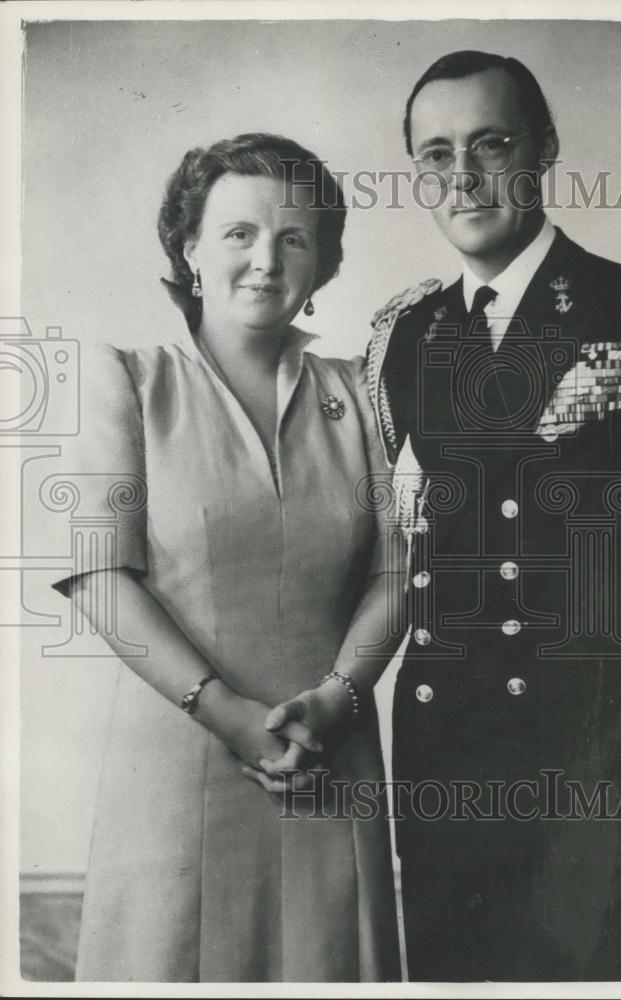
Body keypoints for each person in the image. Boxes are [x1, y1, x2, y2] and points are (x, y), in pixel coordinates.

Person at [362, 50, 621, 981]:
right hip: (446, 751)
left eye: (490, 145)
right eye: (434, 154)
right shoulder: (407, 337)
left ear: (543, 150)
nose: (461, 177)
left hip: (587, 753)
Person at [48, 132, 401, 982]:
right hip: (176, 755)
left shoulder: (365, 392)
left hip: (329, 754)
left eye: (294, 238)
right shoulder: (123, 380)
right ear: (189, 247)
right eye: (238, 233)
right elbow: (100, 576)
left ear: (323, 261)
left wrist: (337, 700)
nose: (266, 261)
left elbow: (398, 573)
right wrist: (226, 712)